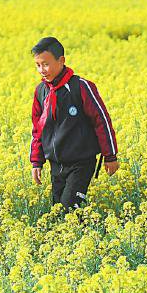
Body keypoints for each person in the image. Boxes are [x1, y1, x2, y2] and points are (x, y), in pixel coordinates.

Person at [29, 37, 119, 209]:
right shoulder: (41, 91)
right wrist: (36, 162)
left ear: (61, 61)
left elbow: (101, 121)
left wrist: (110, 156)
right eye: (38, 65)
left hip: (81, 162)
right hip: (56, 164)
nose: (42, 70)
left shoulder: (81, 86)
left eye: (46, 64)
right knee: (60, 211)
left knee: (70, 207)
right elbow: (37, 129)